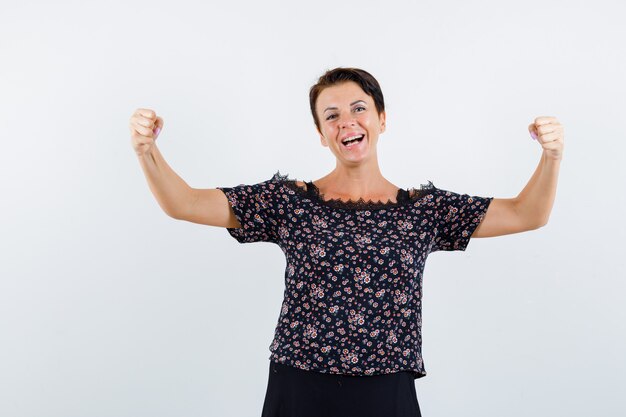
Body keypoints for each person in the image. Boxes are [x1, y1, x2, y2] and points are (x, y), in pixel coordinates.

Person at [129, 67, 564, 417]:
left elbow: (529, 213)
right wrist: (147, 150)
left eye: (359, 108)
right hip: (300, 387)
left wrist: (552, 157)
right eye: (331, 115)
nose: (347, 122)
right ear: (321, 133)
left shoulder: (423, 210)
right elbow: (183, 202)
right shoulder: (289, 202)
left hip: (387, 391)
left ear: (382, 119)